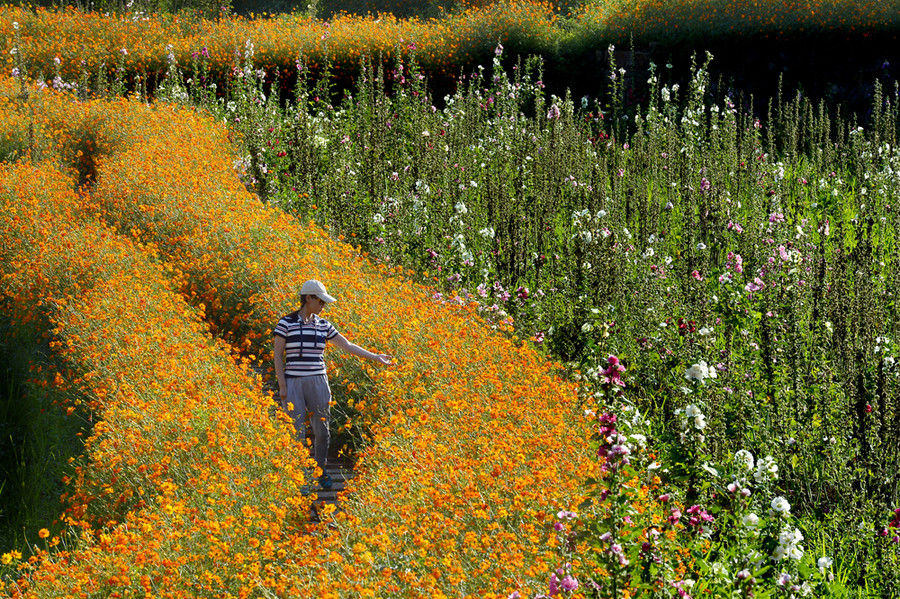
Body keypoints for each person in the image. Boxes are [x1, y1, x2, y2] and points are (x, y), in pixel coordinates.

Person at [273, 279, 392, 489]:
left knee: (322, 430)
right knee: (296, 430)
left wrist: (375, 357)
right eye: (320, 301)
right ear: (309, 298)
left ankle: (321, 470)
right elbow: (277, 356)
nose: (323, 306)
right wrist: (282, 386)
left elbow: (346, 345)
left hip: (319, 381)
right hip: (293, 382)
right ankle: (299, 475)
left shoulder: (323, 325)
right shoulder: (286, 323)